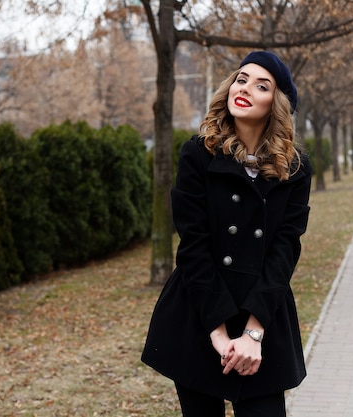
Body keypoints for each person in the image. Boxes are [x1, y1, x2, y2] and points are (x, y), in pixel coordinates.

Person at [141, 51, 312, 417]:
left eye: (261, 85)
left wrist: (253, 335)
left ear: (276, 104)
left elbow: (285, 250)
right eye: (241, 79)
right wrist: (218, 335)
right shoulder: (198, 155)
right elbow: (193, 248)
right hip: (200, 311)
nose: (245, 88)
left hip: (262, 312)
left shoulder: (294, 168)